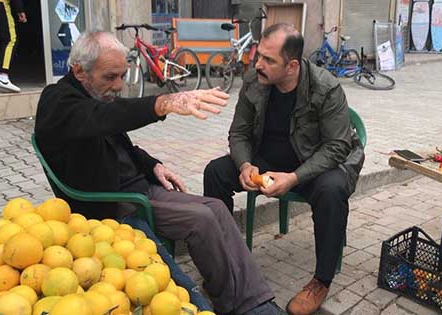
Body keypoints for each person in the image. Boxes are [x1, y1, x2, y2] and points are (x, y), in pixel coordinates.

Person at [34, 30, 285, 315]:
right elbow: (102, 119)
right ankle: (246, 305)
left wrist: (153, 164)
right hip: (113, 201)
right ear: (79, 70)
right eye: (110, 77)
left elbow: (119, 141)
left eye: (122, 76)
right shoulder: (57, 102)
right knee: (201, 219)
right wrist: (162, 103)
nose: (118, 86)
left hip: (140, 187)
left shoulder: (95, 95)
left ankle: (248, 298)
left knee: (215, 207)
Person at [203, 23, 364, 315]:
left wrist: (294, 178)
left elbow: (337, 147)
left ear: (291, 66)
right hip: (267, 161)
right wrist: (245, 164)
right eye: (258, 55)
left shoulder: (326, 88)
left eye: (268, 60)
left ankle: (321, 280)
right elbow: (238, 133)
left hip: (313, 164)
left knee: (332, 190)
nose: (258, 64)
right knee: (215, 172)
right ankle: (224, 267)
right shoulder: (255, 80)